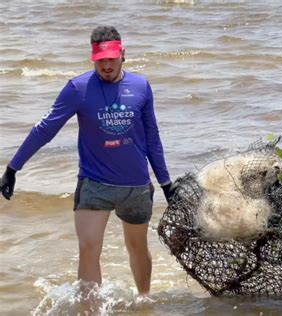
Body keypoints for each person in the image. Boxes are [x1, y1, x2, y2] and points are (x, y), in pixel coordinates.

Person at [0, 26, 176, 295]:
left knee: (138, 247)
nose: (106, 66)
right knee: (89, 247)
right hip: (94, 183)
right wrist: (13, 168)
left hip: (136, 186)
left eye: (111, 59)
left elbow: (152, 138)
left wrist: (165, 182)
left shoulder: (141, 86)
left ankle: (144, 303)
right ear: (92, 57)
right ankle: (89, 311)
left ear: (123, 55)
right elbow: (46, 129)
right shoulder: (78, 88)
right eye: (100, 60)